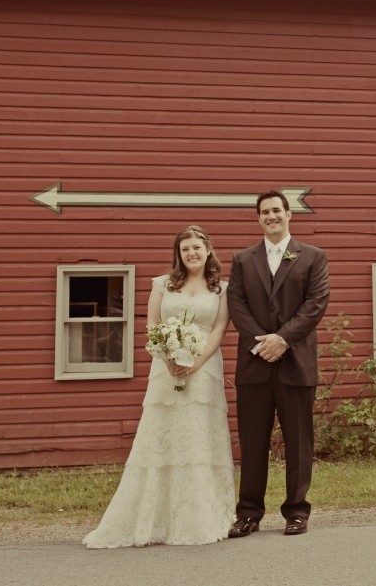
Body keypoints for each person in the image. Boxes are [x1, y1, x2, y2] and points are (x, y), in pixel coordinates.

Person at [83, 225, 235, 548]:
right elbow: (152, 324)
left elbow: (219, 330)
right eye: (185, 249)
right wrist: (167, 357)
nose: (191, 253)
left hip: (204, 370)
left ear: (208, 251)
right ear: (178, 255)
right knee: (162, 435)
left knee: (197, 436)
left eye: (197, 247)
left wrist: (195, 363)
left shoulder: (221, 289)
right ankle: (156, 517)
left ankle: (200, 517)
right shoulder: (163, 285)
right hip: (165, 370)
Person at [226, 190, 330, 537]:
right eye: (264, 212)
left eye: (276, 210)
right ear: (258, 219)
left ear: (289, 215)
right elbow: (237, 305)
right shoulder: (242, 260)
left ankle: (297, 512)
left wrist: (283, 339)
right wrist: (262, 344)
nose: (271, 216)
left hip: (296, 363)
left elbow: (315, 304)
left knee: (299, 443)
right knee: (253, 443)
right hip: (254, 365)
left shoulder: (313, 257)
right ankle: (249, 513)